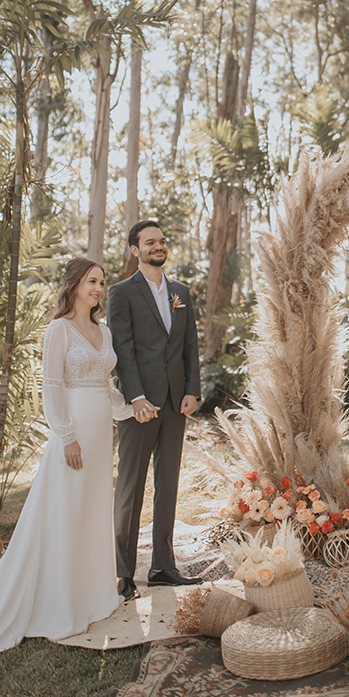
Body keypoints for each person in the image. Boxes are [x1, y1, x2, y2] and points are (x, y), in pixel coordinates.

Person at [0, 258, 122, 669]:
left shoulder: (105, 331)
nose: (98, 288)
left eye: (101, 282)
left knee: (92, 513)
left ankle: (94, 596)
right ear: (74, 285)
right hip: (73, 436)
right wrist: (67, 435)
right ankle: (60, 605)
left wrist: (130, 409)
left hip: (101, 436)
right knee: (67, 513)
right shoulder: (59, 330)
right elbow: (51, 387)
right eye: (91, 281)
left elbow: (105, 386)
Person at [107, 220, 201, 601]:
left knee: (168, 483)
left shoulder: (181, 293)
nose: (158, 246)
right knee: (131, 487)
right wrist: (136, 397)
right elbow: (123, 349)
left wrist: (192, 390)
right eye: (150, 242)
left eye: (161, 241)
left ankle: (163, 566)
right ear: (135, 250)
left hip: (176, 402)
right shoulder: (121, 293)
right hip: (141, 405)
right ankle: (123, 574)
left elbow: (190, 345)